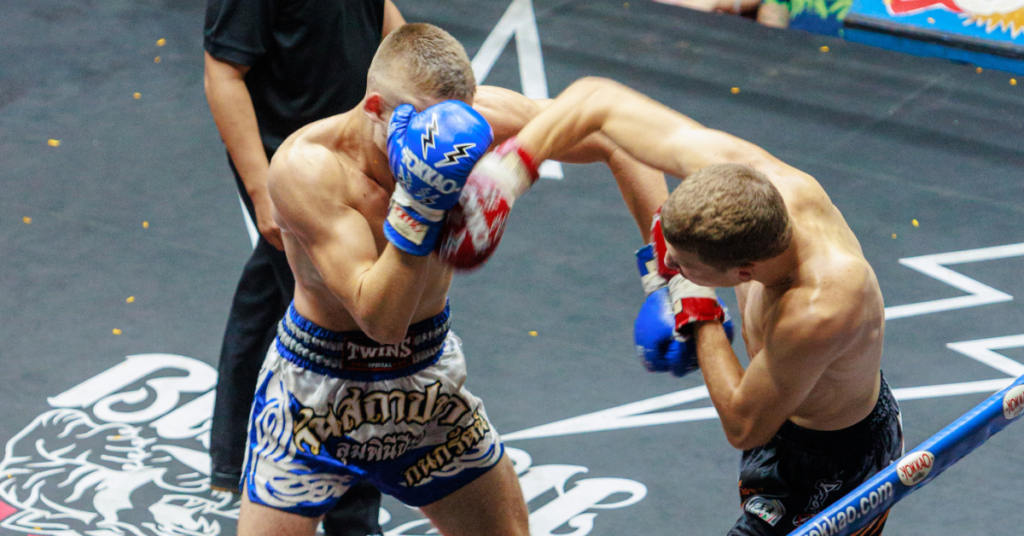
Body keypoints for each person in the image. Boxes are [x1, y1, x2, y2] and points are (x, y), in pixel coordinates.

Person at [240, 25, 667, 536]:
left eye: (455, 125)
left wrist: (667, 277)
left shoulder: (482, 121)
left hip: (426, 386)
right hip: (316, 396)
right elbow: (379, 321)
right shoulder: (309, 167)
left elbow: (624, 137)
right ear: (376, 107)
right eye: (424, 129)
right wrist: (421, 203)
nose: (442, 146)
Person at [487, 77, 903, 535]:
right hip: (788, 405)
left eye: (680, 265)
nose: (663, 265)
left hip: (829, 463)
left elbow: (745, 426)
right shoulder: (748, 178)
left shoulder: (818, 306)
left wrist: (698, 310)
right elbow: (597, 100)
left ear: (742, 272)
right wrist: (509, 174)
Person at [203, 1, 404, 533]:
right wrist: (261, 186)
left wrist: (419, 80)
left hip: (351, 154)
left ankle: (230, 450)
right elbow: (223, 72)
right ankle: (353, 520)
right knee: (345, 334)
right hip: (292, 170)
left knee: (271, 289)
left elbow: (381, 17)